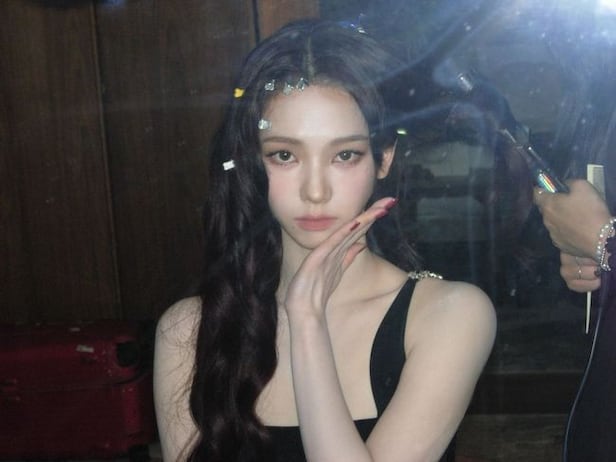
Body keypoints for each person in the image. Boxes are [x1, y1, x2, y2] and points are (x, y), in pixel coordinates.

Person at [153, 19, 496, 462]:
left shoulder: (448, 315)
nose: (315, 191)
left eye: (344, 155)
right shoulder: (188, 330)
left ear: (384, 158)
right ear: (253, 161)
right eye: (284, 155)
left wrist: (307, 321)